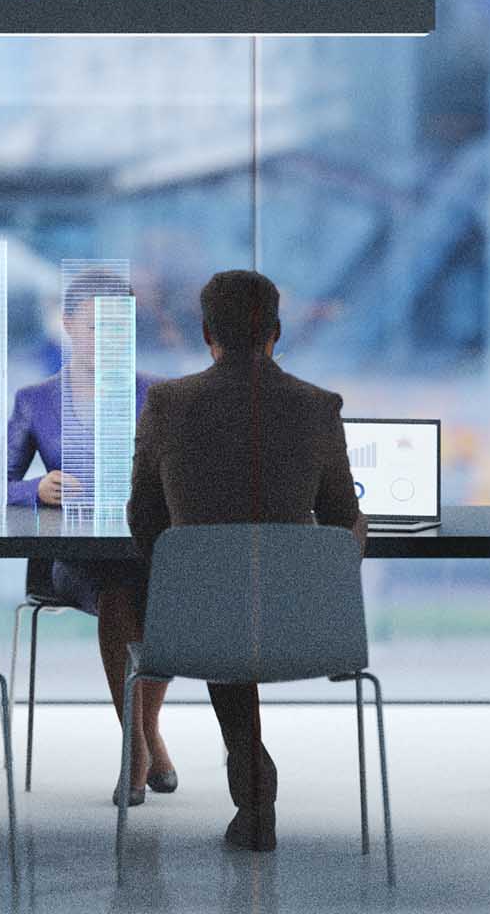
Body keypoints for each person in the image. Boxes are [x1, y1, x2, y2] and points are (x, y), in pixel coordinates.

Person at [124, 269, 363, 852]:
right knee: (242, 595)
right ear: (276, 332)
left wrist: (191, 561)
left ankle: (251, 775)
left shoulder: (167, 403)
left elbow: (142, 519)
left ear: (207, 332)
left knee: (217, 601)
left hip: (196, 621)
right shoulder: (318, 407)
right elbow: (340, 524)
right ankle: (252, 776)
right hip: (301, 623)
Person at [0, 270, 173, 804]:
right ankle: (137, 746)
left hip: (146, 546)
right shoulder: (35, 400)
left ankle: (145, 736)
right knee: (121, 588)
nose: (108, 339)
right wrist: (36, 489)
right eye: (97, 326)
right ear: (69, 323)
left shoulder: (161, 396)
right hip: (76, 557)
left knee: (158, 588)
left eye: (120, 328)